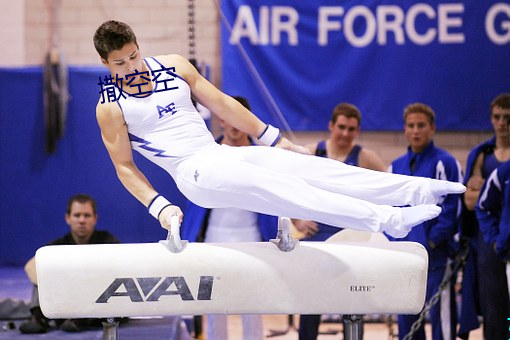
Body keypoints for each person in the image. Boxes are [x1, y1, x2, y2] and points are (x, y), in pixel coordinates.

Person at [93, 20, 464, 247]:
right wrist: (160, 207)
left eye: (133, 56)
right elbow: (125, 167)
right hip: (193, 174)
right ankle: (387, 220)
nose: (130, 67)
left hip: (219, 156)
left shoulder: (173, 67)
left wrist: (274, 138)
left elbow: (223, 103)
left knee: (311, 168)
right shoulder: (110, 107)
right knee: (288, 191)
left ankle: (413, 189)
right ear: (106, 64)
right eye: (120, 63)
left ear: (139, 46)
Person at [181, 96, 278, 340]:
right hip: (214, 238)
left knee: (253, 305)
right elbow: (192, 198)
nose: (235, 126)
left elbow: (275, 199)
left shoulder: (262, 159)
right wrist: (187, 238)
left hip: (254, 239)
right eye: (229, 119)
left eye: (240, 120)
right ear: (221, 120)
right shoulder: (204, 154)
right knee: (215, 305)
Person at [296, 102, 386, 340]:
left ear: (357, 131)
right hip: (317, 235)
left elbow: (389, 192)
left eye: (351, 129)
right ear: (331, 126)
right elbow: (285, 189)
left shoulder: (366, 158)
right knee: (310, 302)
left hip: (351, 239)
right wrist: (297, 220)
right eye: (342, 127)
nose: (346, 134)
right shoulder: (311, 152)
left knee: (354, 300)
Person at [387, 103, 462, 340]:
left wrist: (432, 241)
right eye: (411, 126)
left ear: (432, 129)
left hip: (436, 257)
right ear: (405, 130)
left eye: (421, 125)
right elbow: (388, 209)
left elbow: (452, 209)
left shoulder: (445, 163)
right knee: (407, 321)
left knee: (442, 320)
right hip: (405, 259)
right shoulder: (395, 167)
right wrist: (395, 243)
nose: (416, 131)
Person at [19, 194, 120, 334]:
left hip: (96, 301)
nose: (82, 220)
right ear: (68, 218)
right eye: (77, 215)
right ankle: (38, 318)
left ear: (95, 218)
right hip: (65, 298)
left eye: (87, 215)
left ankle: (80, 319)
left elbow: (118, 270)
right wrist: (60, 283)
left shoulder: (108, 242)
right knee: (42, 270)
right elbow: (30, 266)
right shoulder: (57, 246)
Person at [460, 93, 510, 340]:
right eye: (497, 117)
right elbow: (469, 202)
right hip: (489, 238)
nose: (502, 123)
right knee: (493, 304)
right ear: (491, 119)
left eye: (507, 118)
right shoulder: (482, 154)